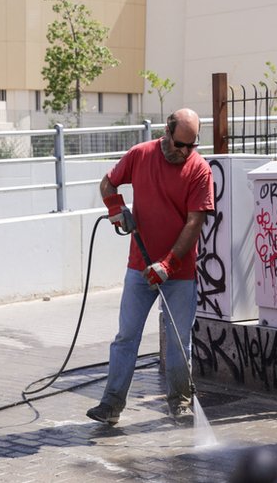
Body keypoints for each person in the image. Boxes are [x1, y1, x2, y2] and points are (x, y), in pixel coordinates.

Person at [86, 108, 214, 426]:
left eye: (191, 146)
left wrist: (168, 264)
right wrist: (116, 208)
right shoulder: (140, 155)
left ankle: (180, 402)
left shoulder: (199, 170)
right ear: (167, 133)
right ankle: (111, 404)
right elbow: (108, 183)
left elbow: (194, 223)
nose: (185, 152)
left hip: (179, 273)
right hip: (139, 268)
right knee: (126, 336)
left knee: (178, 341)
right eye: (180, 144)